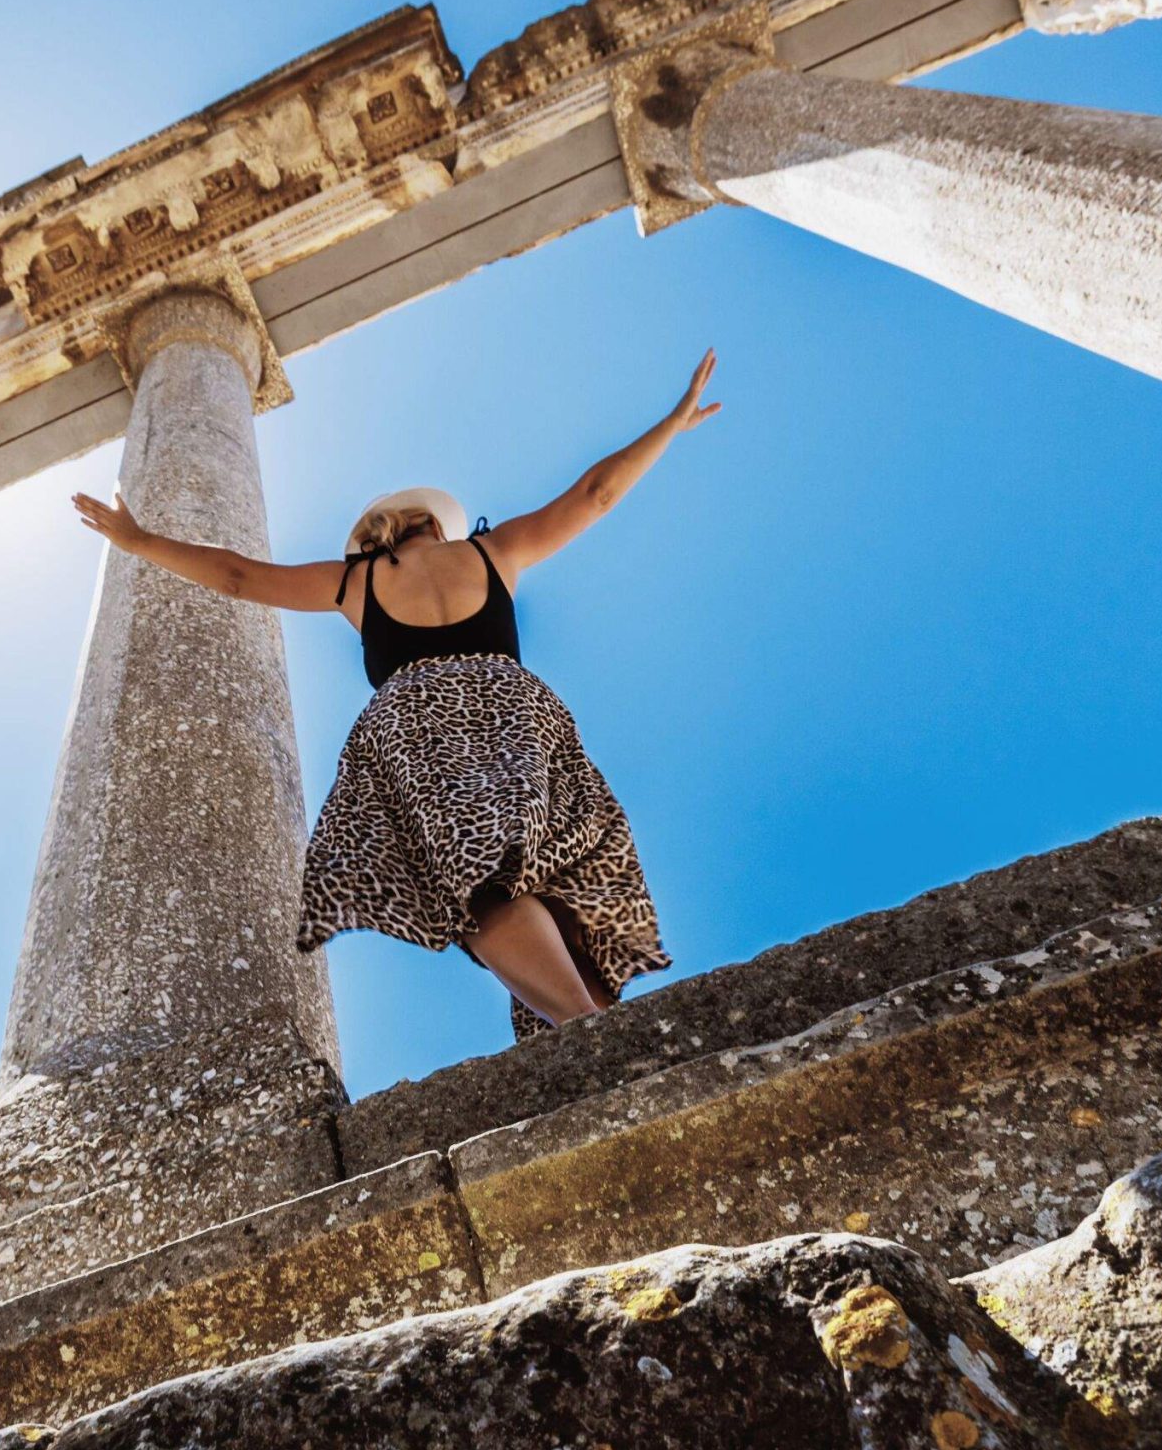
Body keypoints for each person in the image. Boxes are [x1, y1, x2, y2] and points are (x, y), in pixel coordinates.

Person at [72, 349, 721, 1037]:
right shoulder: (490, 552)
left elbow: (237, 577)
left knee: (480, 890)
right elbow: (596, 493)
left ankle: (585, 1029)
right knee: (555, 874)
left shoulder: (355, 582)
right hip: (515, 712)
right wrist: (670, 424)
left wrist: (139, 540)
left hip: (417, 728)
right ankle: (597, 1023)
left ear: (377, 531)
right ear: (435, 523)